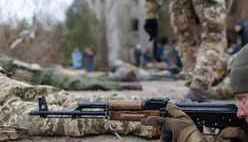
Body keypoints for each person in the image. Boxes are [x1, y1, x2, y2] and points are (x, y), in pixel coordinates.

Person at [0, 66, 155, 142]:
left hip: (5, 83)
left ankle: (154, 110)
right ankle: (155, 123)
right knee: (73, 118)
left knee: (74, 102)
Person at [144, 0, 233, 102]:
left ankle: (194, 86)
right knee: (213, 37)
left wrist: (151, 14)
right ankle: (198, 88)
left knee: (186, 39)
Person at [0, 55, 142, 91]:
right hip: (44, 77)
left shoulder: (5, 63)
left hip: (45, 78)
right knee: (85, 81)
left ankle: (125, 83)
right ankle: (125, 82)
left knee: (84, 82)